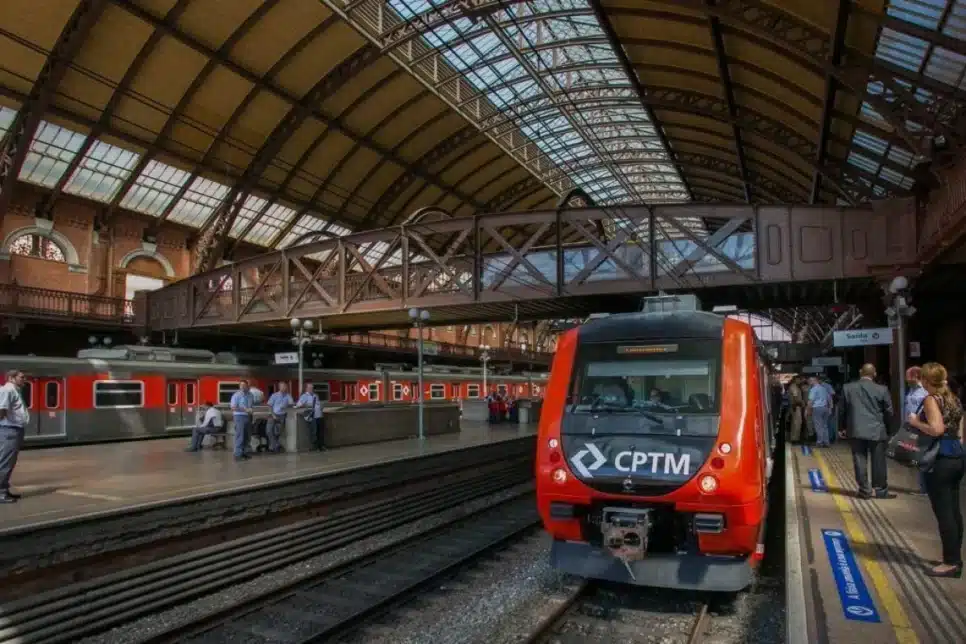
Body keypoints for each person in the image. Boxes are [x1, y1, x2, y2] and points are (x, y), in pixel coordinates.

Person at [906, 362, 965, 577]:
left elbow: (936, 429)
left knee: (944, 513)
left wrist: (915, 421)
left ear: (926, 380)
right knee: (954, 511)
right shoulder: (952, 396)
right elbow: (959, 428)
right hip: (957, 456)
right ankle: (955, 557)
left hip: (939, 459)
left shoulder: (932, 399)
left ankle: (950, 563)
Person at [842, 364, 896, 499]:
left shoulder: (848, 388)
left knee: (859, 459)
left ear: (860, 372)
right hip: (877, 430)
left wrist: (842, 428)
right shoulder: (882, 389)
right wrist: (889, 430)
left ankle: (864, 490)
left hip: (856, 430)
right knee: (879, 461)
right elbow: (889, 412)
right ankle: (880, 491)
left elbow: (842, 410)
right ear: (875, 374)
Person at [0, 369, 27, 504]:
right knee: (5, 462)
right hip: (9, 430)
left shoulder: (14, 390)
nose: (24, 379)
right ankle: (1, 493)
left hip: (15, 429)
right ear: (11, 378)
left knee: (9, 462)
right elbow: (1, 409)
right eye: (21, 377)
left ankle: (4, 489)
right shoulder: (8, 390)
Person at [904, 366, 929, 495]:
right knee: (915, 457)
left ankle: (925, 488)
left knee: (923, 457)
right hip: (911, 427)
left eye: (907, 376)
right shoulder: (911, 390)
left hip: (921, 427)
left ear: (915, 376)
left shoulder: (924, 391)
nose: (905, 378)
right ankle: (922, 487)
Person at [265, 383, 294, 453]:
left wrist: (287, 405)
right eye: (283, 386)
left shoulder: (288, 396)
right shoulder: (274, 395)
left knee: (277, 432)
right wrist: (273, 415)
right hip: (272, 415)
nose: (285, 388)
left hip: (282, 416)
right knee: (269, 431)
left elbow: (292, 404)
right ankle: (276, 445)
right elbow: (269, 406)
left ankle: (273, 447)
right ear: (279, 387)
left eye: (285, 387)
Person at [230, 380, 255, 461]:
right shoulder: (236, 395)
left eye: (245, 385)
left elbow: (251, 406)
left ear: (248, 386)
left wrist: (250, 411)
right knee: (240, 436)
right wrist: (245, 410)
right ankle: (238, 454)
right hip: (239, 416)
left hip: (248, 416)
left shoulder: (250, 395)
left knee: (247, 436)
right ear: (239, 387)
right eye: (241, 385)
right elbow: (233, 407)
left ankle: (245, 452)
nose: (243, 387)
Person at [296, 383, 325, 451]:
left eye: (312, 388)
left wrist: (321, 407)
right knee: (313, 432)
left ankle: (321, 446)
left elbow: (318, 404)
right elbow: (298, 405)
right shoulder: (304, 396)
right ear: (306, 389)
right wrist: (306, 405)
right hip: (311, 416)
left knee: (320, 431)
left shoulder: (316, 395)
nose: (311, 389)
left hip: (319, 415)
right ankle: (314, 447)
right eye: (309, 388)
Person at [807, 375, 832, 447]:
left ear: (815, 381)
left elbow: (811, 401)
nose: (809, 382)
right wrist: (829, 408)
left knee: (818, 426)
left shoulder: (813, 389)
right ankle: (826, 442)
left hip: (817, 408)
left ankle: (819, 442)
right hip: (825, 408)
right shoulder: (823, 388)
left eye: (811, 380)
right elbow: (829, 399)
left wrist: (808, 410)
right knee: (825, 425)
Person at [788, 376, 806, 444]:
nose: (800, 381)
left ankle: (795, 438)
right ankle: (795, 439)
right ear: (795, 380)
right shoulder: (794, 387)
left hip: (796, 407)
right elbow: (795, 398)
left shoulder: (796, 386)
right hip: (796, 407)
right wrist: (801, 403)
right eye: (799, 380)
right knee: (797, 423)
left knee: (796, 423)